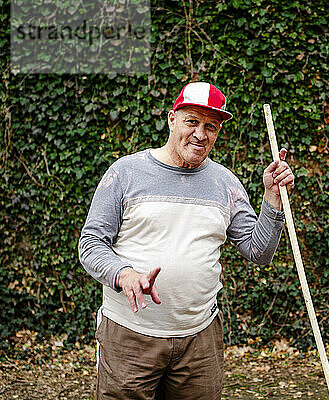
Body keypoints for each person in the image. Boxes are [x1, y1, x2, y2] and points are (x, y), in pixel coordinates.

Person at [78, 81, 294, 399]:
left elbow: (258, 251)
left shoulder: (226, 183)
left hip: (199, 341)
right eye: (192, 121)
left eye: (211, 126)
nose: (200, 134)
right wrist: (124, 274)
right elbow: (92, 242)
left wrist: (272, 200)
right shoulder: (126, 173)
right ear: (172, 119)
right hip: (131, 335)